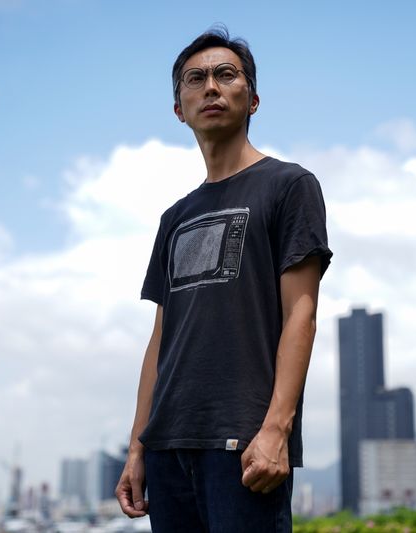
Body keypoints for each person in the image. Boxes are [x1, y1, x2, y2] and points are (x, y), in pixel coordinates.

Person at [115, 27, 332, 533]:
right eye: (195, 79)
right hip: (166, 446)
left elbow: (302, 315)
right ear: (179, 109)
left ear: (252, 99)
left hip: (245, 445)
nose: (210, 87)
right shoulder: (175, 216)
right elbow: (160, 339)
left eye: (225, 75)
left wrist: (277, 428)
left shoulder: (289, 186)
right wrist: (136, 446)